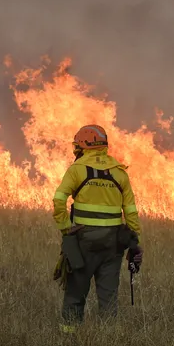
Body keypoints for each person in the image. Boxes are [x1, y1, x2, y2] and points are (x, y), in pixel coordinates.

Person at [52, 124, 143, 333]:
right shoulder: (120, 173)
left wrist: (66, 228)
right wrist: (134, 241)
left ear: (83, 145)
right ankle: (108, 343)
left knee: (76, 293)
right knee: (108, 297)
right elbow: (130, 211)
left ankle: (69, 340)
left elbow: (58, 200)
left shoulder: (77, 170)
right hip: (113, 244)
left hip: (83, 241)